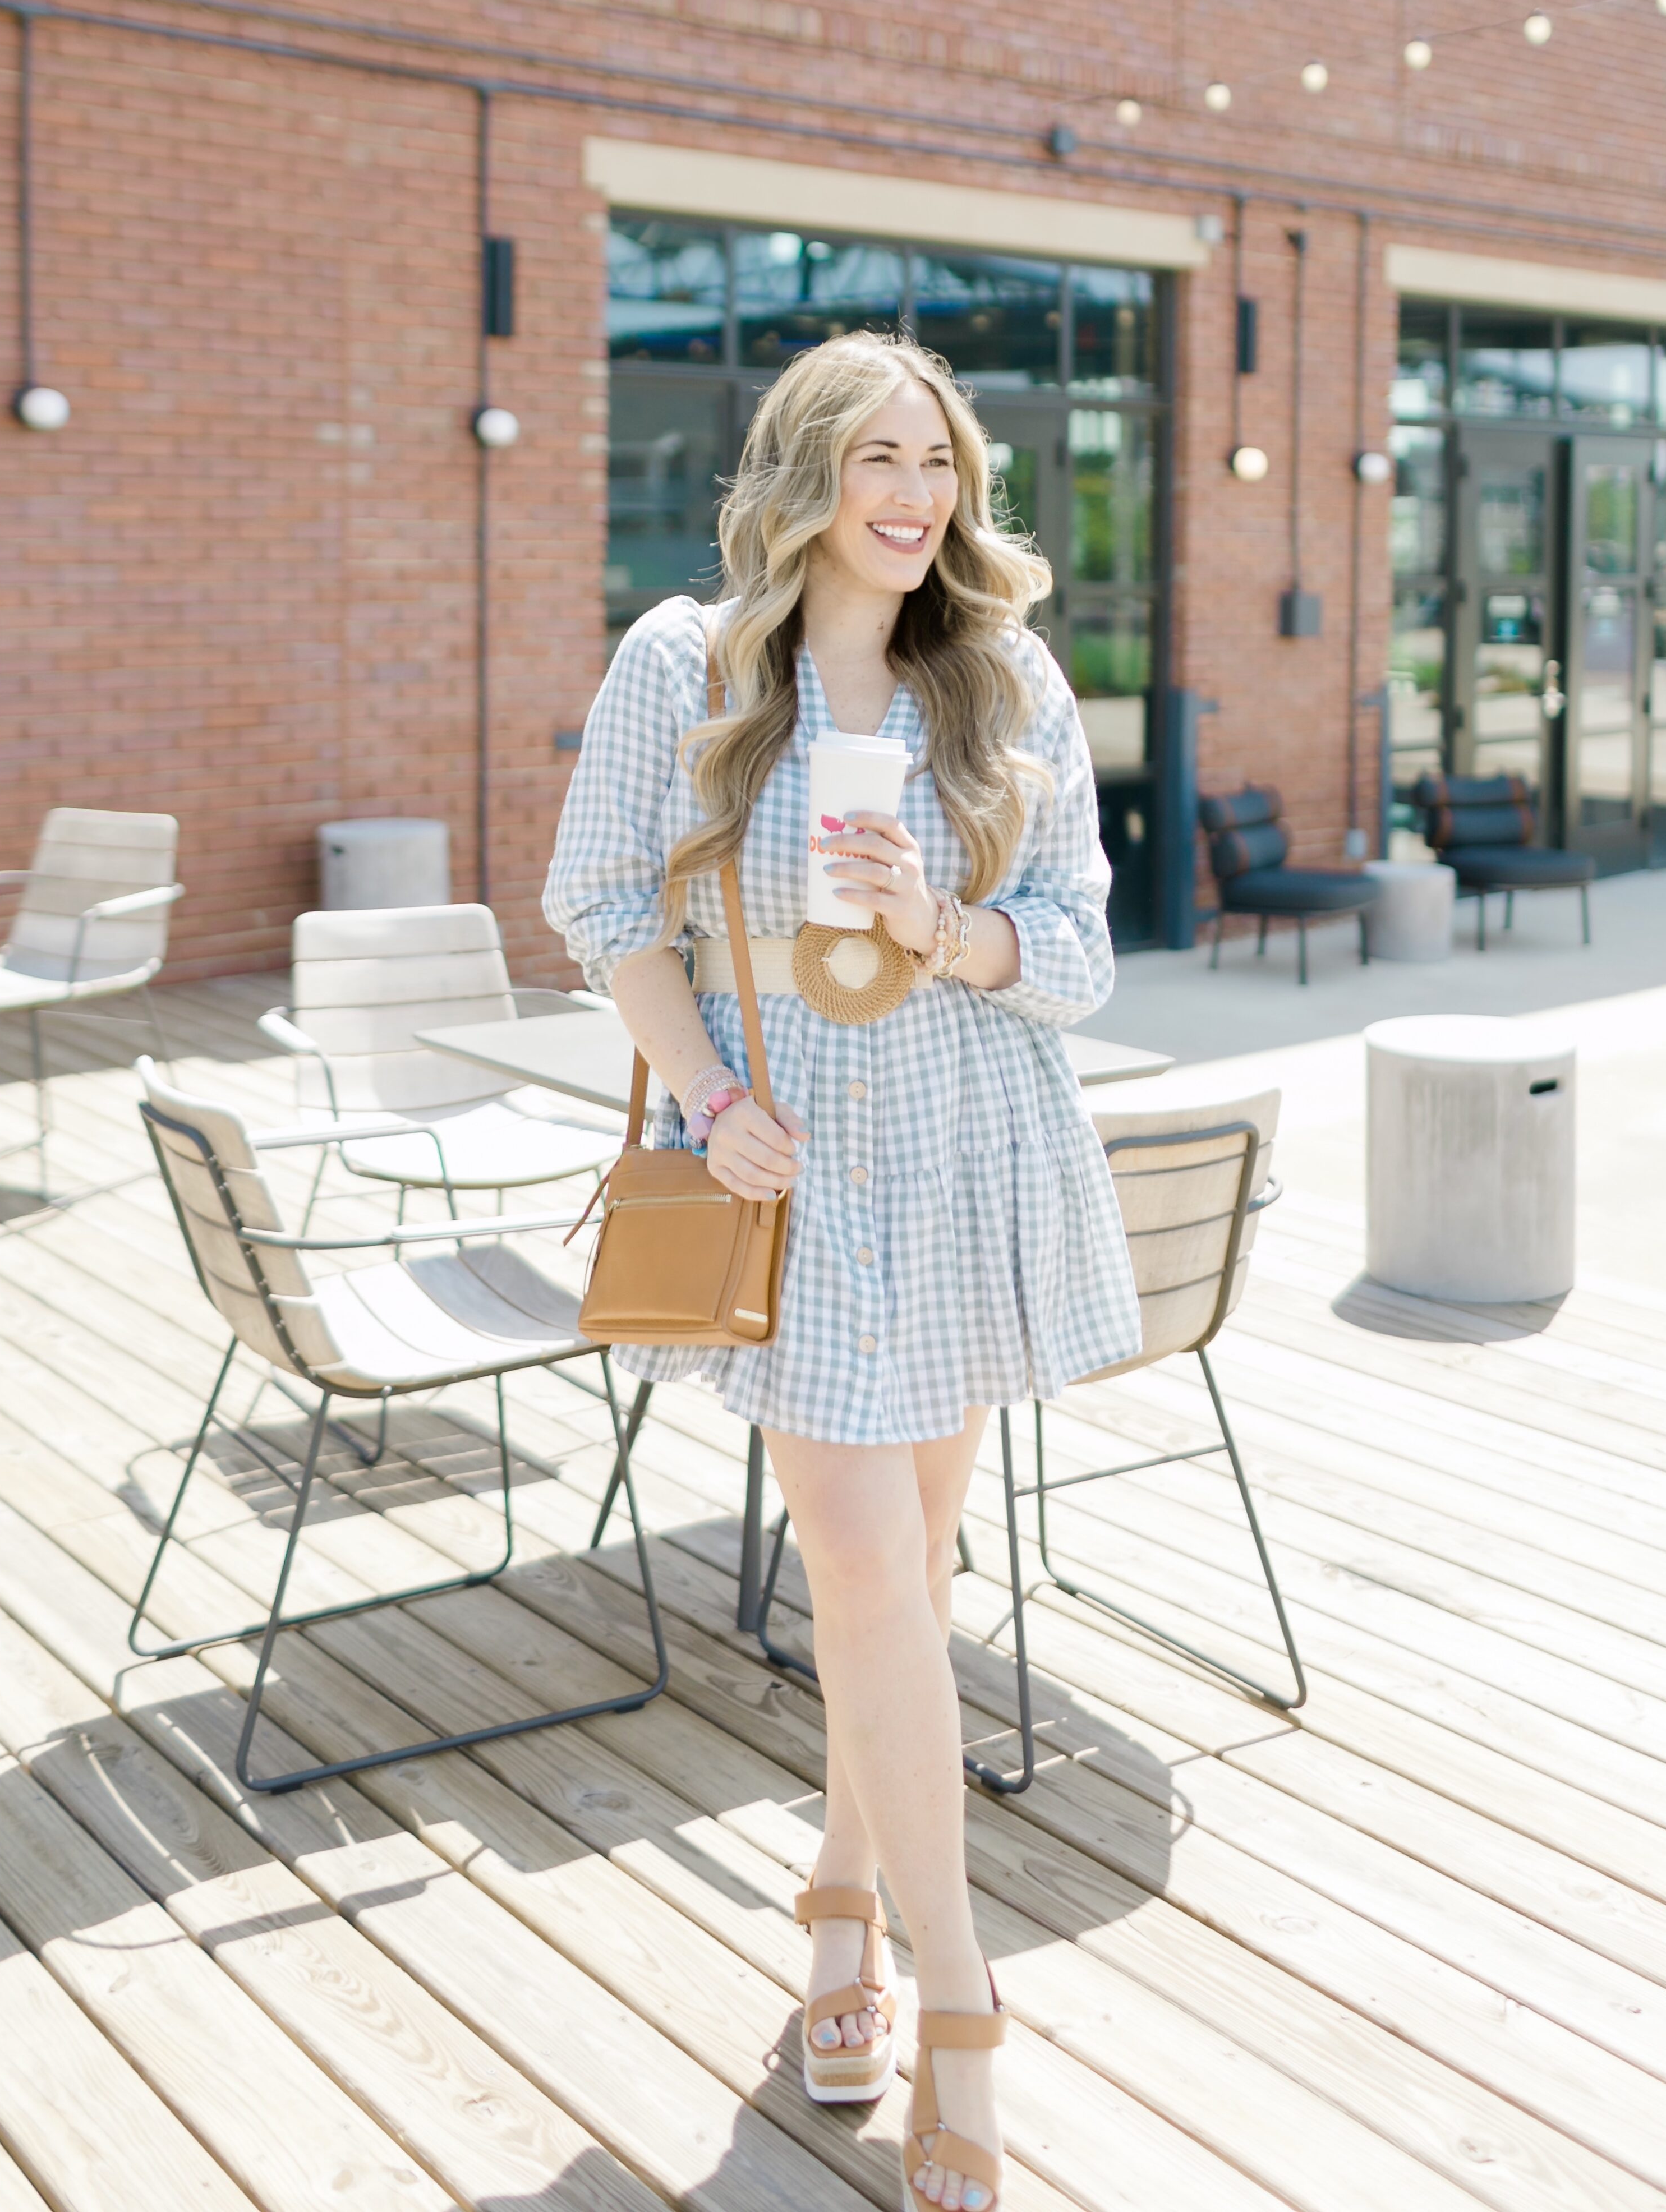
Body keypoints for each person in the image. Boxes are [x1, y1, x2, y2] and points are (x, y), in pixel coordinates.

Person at [546, 331, 1139, 2212]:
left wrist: (947, 922)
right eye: (879, 456)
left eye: (942, 464)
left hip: (969, 1152)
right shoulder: (688, 660)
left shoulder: (1007, 673)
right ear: (806, 475)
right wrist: (710, 1094)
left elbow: (1082, 955)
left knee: (914, 1571)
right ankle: (957, 2008)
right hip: (795, 1161)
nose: (915, 494)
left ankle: (837, 1902)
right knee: (874, 1569)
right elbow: (602, 907)